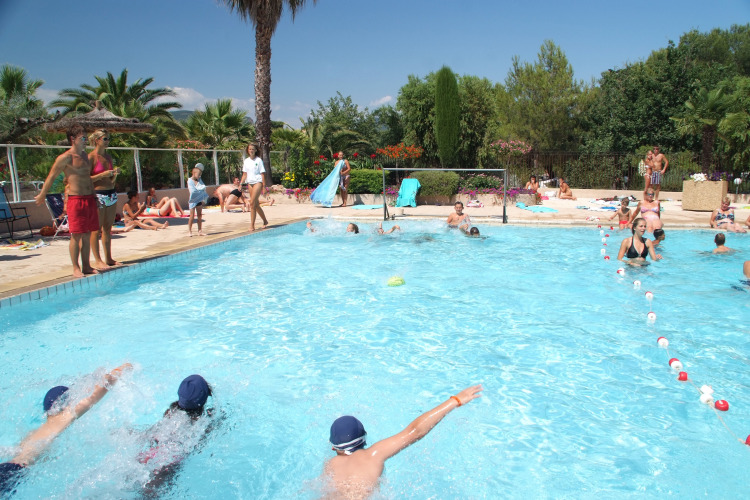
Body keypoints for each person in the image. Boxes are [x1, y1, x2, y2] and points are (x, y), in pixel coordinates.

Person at [323, 385, 482, 499]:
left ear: (333, 447)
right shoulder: (372, 455)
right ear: (364, 439)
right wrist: (455, 401)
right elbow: (415, 431)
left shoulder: (329, 466)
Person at [0, 363, 131, 494]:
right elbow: (98, 391)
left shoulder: (34, 432)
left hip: (8, 466)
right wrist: (122, 369)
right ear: (66, 402)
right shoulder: (63, 417)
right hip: (14, 470)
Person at [34, 124, 99, 278]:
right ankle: (76, 267)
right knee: (76, 234)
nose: (85, 141)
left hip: (89, 198)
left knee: (87, 233)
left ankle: (87, 266)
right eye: (82, 138)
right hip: (75, 200)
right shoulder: (65, 158)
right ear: (73, 139)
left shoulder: (85, 156)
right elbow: (51, 176)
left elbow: (87, 179)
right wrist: (43, 194)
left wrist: (94, 196)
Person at [139, 374, 214, 496]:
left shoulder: (170, 413)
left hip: (149, 454)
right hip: (168, 462)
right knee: (148, 494)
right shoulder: (202, 422)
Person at [87, 129, 122, 270]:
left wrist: (114, 174)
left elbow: (111, 180)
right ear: (97, 140)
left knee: (107, 228)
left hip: (111, 193)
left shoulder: (108, 157)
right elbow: (86, 179)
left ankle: (108, 258)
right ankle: (97, 260)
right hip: (98, 195)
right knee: (96, 229)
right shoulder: (91, 157)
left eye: (108, 139)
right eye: (105, 139)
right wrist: (102, 175)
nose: (107, 141)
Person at [239, 144, 269, 231]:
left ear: (256, 150)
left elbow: (262, 173)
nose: (251, 150)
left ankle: (252, 225)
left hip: (258, 182)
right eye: (250, 149)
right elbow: (245, 174)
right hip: (250, 183)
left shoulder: (259, 160)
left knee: (252, 203)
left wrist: (264, 185)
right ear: (248, 150)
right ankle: (265, 221)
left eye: (253, 149)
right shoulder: (246, 161)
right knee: (255, 205)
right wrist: (241, 183)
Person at [188, 163, 208, 237]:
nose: (199, 176)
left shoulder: (199, 180)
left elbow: (203, 187)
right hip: (193, 200)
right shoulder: (190, 180)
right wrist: (200, 189)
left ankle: (200, 231)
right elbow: (193, 191)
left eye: (200, 175)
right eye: (198, 174)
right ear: (194, 173)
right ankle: (189, 231)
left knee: (199, 215)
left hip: (198, 200)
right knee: (192, 216)